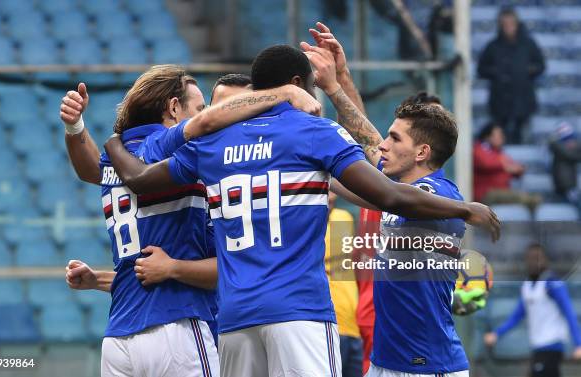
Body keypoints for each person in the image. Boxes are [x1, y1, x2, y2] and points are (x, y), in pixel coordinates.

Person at [104, 43, 500, 377]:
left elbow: (139, 179)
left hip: (235, 317)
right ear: (296, 86)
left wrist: (112, 144)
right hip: (299, 310)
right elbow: (388, 191)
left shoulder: (211, 147)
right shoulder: (315, 135)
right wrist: (466, 209)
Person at [62, 65, 321, 377]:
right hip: (178, 328)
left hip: (119, 337)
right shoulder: (187, 152)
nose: (208, 116)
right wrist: (284, 95)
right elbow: (225, 266)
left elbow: (91, 170)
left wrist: (76, 128)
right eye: (200, 109)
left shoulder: (115, 157)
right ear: (174, 108)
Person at [304, 38, 491, 374]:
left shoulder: (438, 194)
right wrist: (341, 81)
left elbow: (383, 175)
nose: (384, 146)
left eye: (395, 139)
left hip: (426, 366)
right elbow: (365, 140)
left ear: (422, 153)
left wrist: (466, 210)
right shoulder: (398, 189)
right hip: (385, 360)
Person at [484, 244, 581, 377]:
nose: (533, 263)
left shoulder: (552, 283)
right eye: (530, 259)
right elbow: (517, 316)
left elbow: (569, 312)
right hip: (538, 347)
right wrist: (497, 334)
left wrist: (578, 343)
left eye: (537, 258)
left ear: (545, 260)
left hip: (552, 346)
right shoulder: (527, 286)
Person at [477, 7, 545, 144]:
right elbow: (481, 69)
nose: (508, 28)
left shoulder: (528, 45)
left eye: (511, 24)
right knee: (500, 135)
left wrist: (525, 71)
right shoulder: (493, 46)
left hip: (523, 98)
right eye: (505, 24)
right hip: (499, 100)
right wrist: (497, 73)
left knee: (522, 135)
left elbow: (540, 65)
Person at [325, 192, 363, 377]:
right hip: (325, 327)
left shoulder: (345, 218)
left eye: (333, 189)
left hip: (354, 326)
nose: (331, 197)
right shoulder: (301, 226)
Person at [473, 122, 541, 210]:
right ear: (487, 137)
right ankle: (529, 200)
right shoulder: (478, 148)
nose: (502, 138)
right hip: (485, 194)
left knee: (511, 194)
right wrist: (505, 166)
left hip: (502, 192)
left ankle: (530, 199)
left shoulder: (499, 153)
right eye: (498, 135)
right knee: (513, 195)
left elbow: (515, 169)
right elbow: (485, 163)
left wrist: (519, 169)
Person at [549, 122, 581, 210]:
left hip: (569, 184)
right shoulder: (556, 146)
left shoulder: (573, 148)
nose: (570, 141)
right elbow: (567, 153)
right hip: (562, 184)